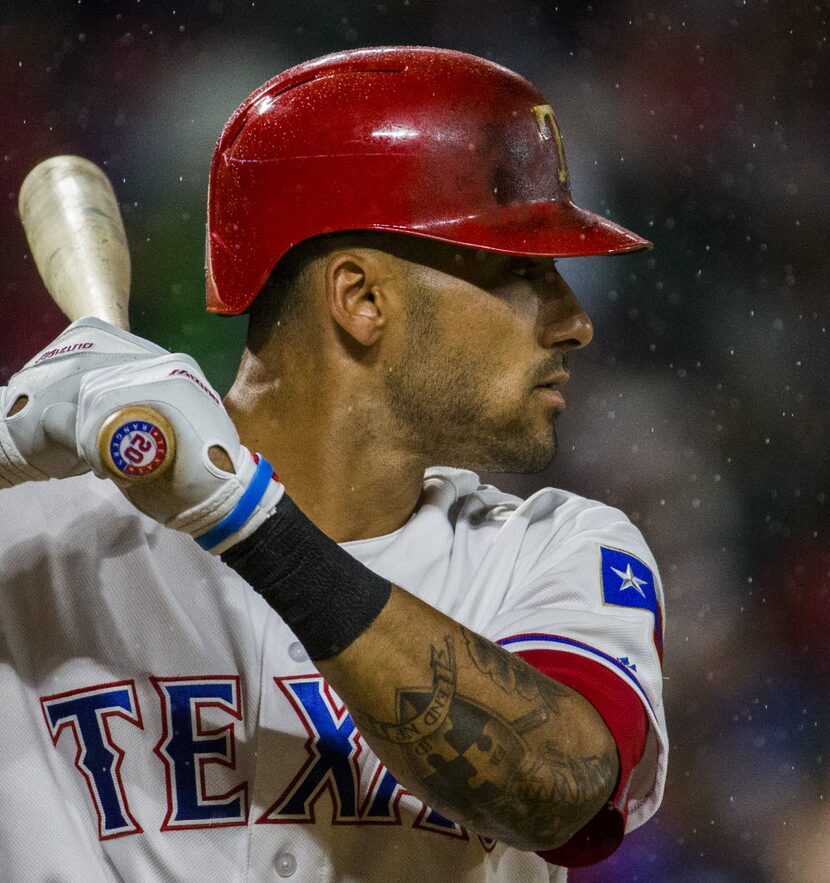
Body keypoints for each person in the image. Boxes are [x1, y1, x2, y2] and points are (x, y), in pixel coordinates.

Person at [0, 47, 667, 882]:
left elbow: (556, 793)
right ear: (361, 298)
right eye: (522, 272)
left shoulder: (553, 550)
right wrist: (5, 440)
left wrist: (244, 516)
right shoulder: (31, 537)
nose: (573, 322)